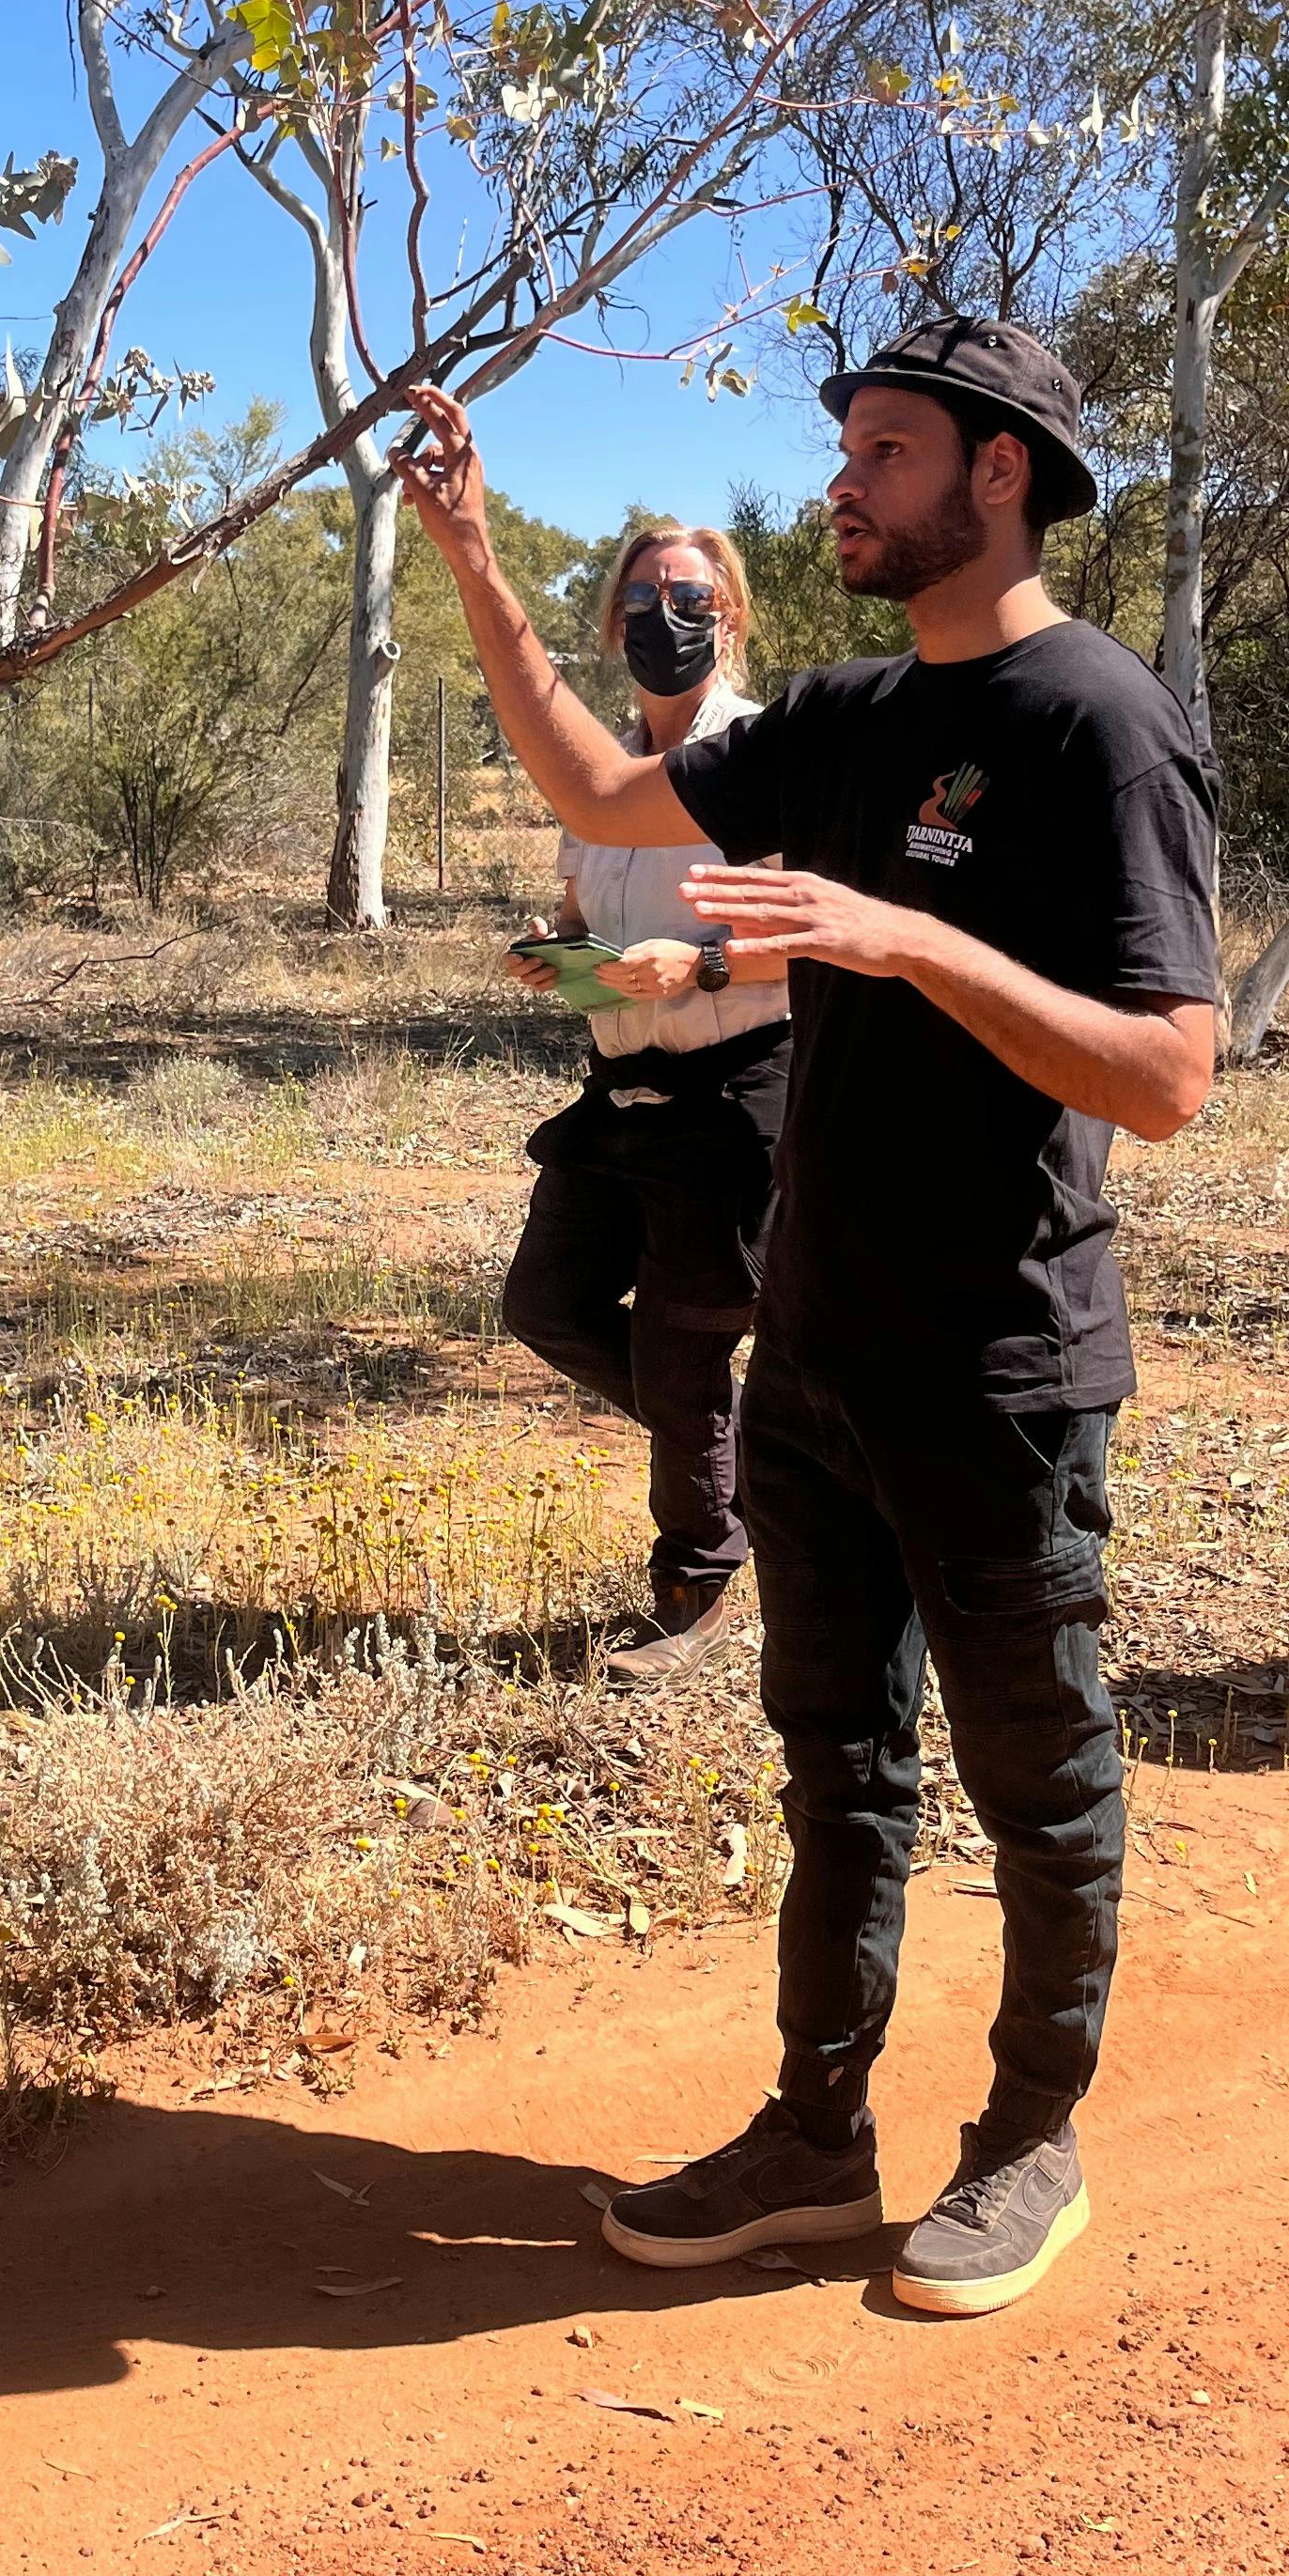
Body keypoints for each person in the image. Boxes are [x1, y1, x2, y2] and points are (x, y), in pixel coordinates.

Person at [395, 317, 1219, 2317]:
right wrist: (479, 561)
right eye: (843, 445)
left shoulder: (1095, 722)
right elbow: (599, 778)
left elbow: (1169, 1070)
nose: (841, 481)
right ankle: (811, 2133)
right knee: (833, 1755)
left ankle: (1030, 2135)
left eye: (886, 449)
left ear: (997, 475)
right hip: (821, 1345)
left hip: (1000, 1361)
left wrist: (899, 935)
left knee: (1038, 1769)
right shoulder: (842, 717)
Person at [500, 521, 790, 1696]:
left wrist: (704, 965)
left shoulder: (770, 757)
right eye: (639, 595)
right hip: (619, 1091)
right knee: (547, 1304)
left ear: (729, 614)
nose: (661, 616)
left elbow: (826, 942)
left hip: (734, 1091)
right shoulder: (597, 770)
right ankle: (756, 1465)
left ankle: (699, 1574)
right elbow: (588, 915)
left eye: (688, 594)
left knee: (680, 1348)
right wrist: (557, 951)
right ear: (611, 617)